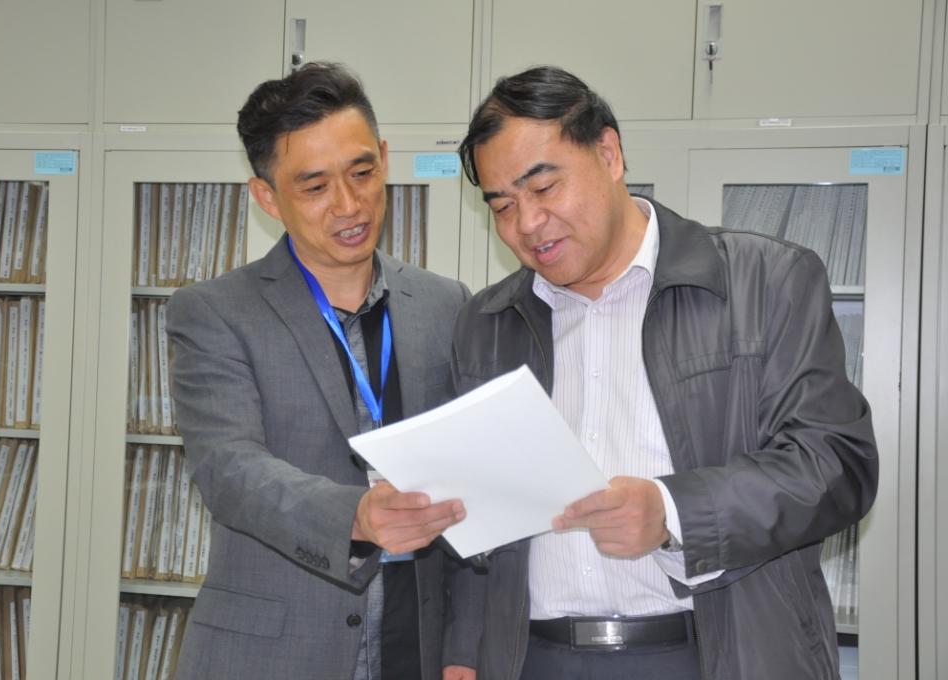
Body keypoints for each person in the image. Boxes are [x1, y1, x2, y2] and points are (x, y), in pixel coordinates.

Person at [443, 66, 878, 680]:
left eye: (543, 187)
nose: (527, 223)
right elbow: (479, 510)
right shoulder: (487, 322)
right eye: (503, 205)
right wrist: (464, 650)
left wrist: (673, 513)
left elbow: (836, 463)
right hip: (531, 658)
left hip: (713, 653)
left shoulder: (766, 282)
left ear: (609, 154)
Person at [166, 62, 470, 680]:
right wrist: (355, 514)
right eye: (314, 187)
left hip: (416, 646)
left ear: (385, 159)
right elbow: (229, 470)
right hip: (275, 653)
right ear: (267, 197)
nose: (350, 205)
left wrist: (466, 646)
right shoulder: (215, 312)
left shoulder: (446, 304)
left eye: (363, 172)